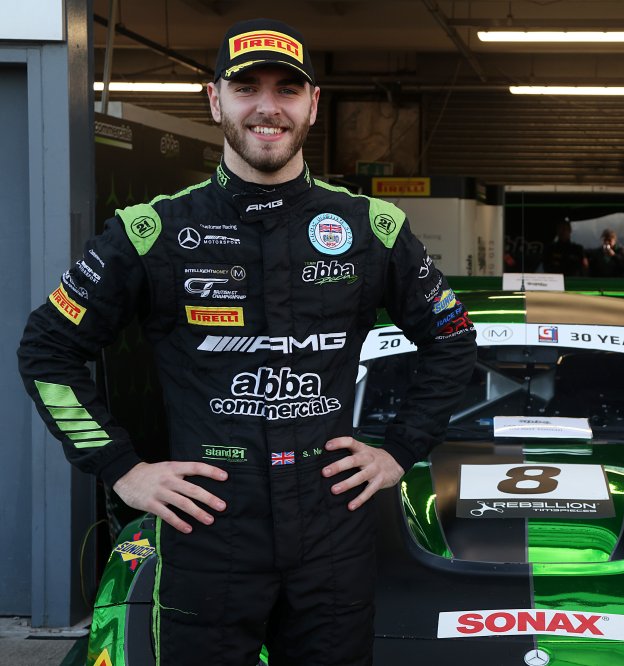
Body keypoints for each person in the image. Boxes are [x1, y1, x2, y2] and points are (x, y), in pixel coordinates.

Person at [18, 18, 476, 665]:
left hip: (332, 532)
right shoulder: (152, 232)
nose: (267, 107)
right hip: (207, 531)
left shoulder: (370, 227)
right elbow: (46, 351)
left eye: (287, 89)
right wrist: (122, 468)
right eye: (246, 87)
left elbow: (452, 337)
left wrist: (399, 449)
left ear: (313, 104)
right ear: (215, 100)